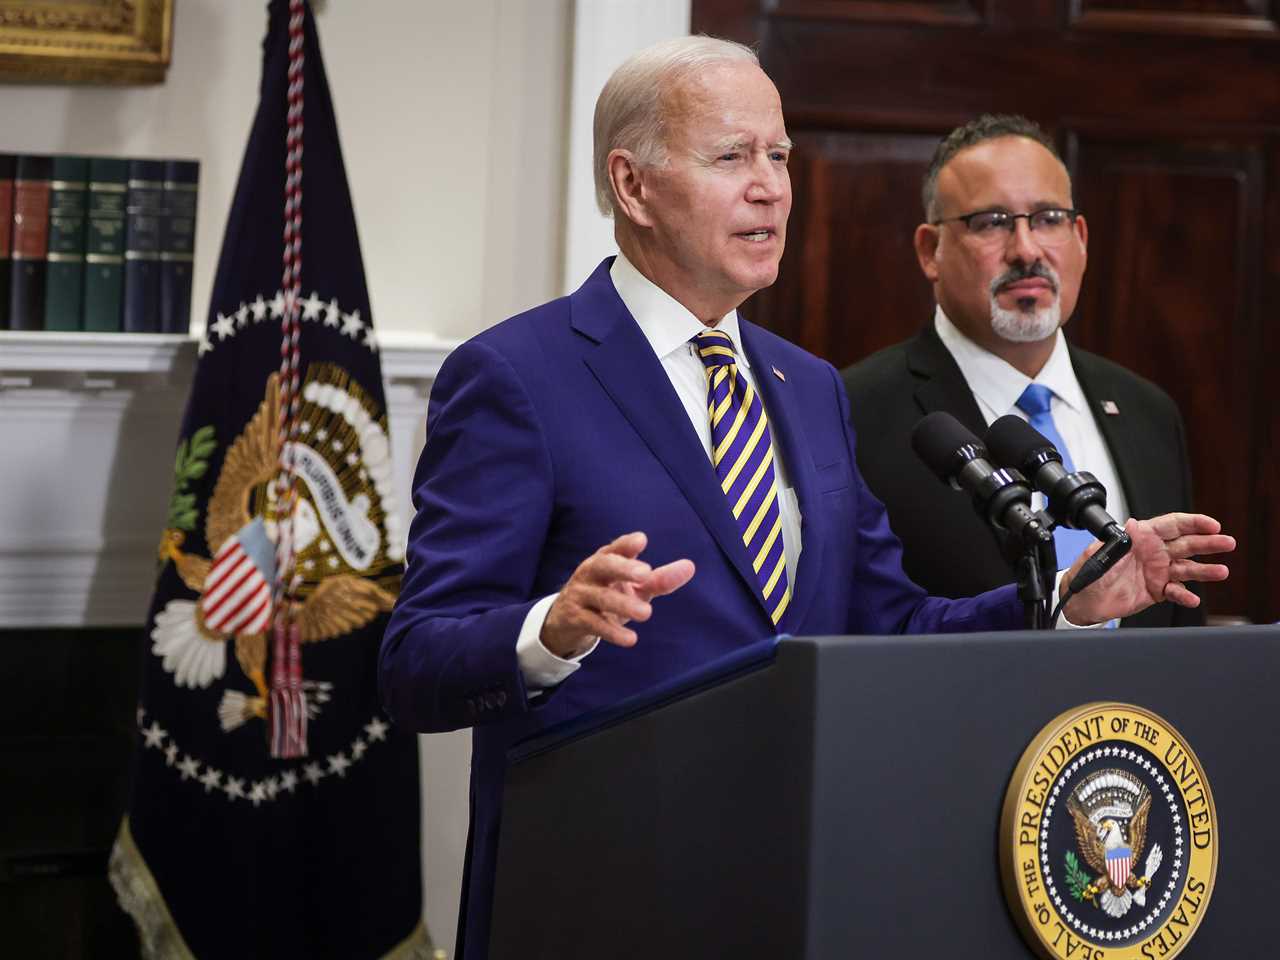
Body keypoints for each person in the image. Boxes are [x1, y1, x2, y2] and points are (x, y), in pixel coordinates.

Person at [379, 46, 1232, 960]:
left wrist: (1064, 602)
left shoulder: (806, 385)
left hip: (795, 887)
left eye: (780, 158)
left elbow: (888, 622)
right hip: (601, 893)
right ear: (631, 185)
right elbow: (413, 662)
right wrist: (550, 630)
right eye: (731, 158)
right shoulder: (516, 377)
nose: (771, 190)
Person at [842, 114, 1203, 627]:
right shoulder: (855, 412)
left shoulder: (1147, 410)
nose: (1027, 250)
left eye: (1048, 218)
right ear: (930, 251)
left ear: (1079, 238)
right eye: (991, 222)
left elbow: (1177, 618)